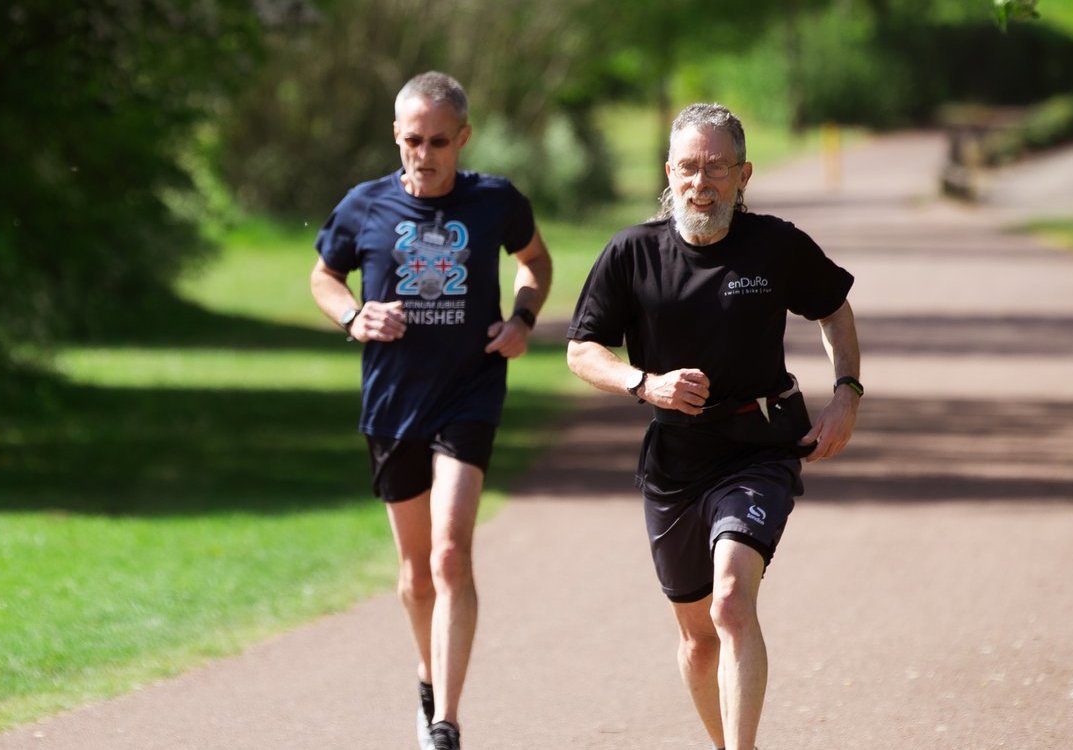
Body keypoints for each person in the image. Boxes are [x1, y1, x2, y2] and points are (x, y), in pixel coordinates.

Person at [564, 103, 861, 750]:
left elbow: (834, 311)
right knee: (698, 639)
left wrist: (846, 395)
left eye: (718, 168)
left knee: (731, 603)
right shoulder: (633, 252)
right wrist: (646, 384)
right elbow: (581, 351)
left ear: (743, 174)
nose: (703, 183)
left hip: (759, 447)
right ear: (670, 173)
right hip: (676, 461)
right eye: (690, 168)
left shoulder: (775, 245)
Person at [309, 70, 552, 750]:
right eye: (412, 140)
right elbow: (323, 275)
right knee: (416, 572)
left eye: (438, 141)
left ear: (463, 138)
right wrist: (354, 315)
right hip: (392, 402)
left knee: (450, 554)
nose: (424, 153)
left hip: (470, 391)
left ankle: (444, 721)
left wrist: (522, 319)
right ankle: (428, 674)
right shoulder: (363, 206)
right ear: (396, 136)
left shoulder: (495, 201)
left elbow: (534, 260)